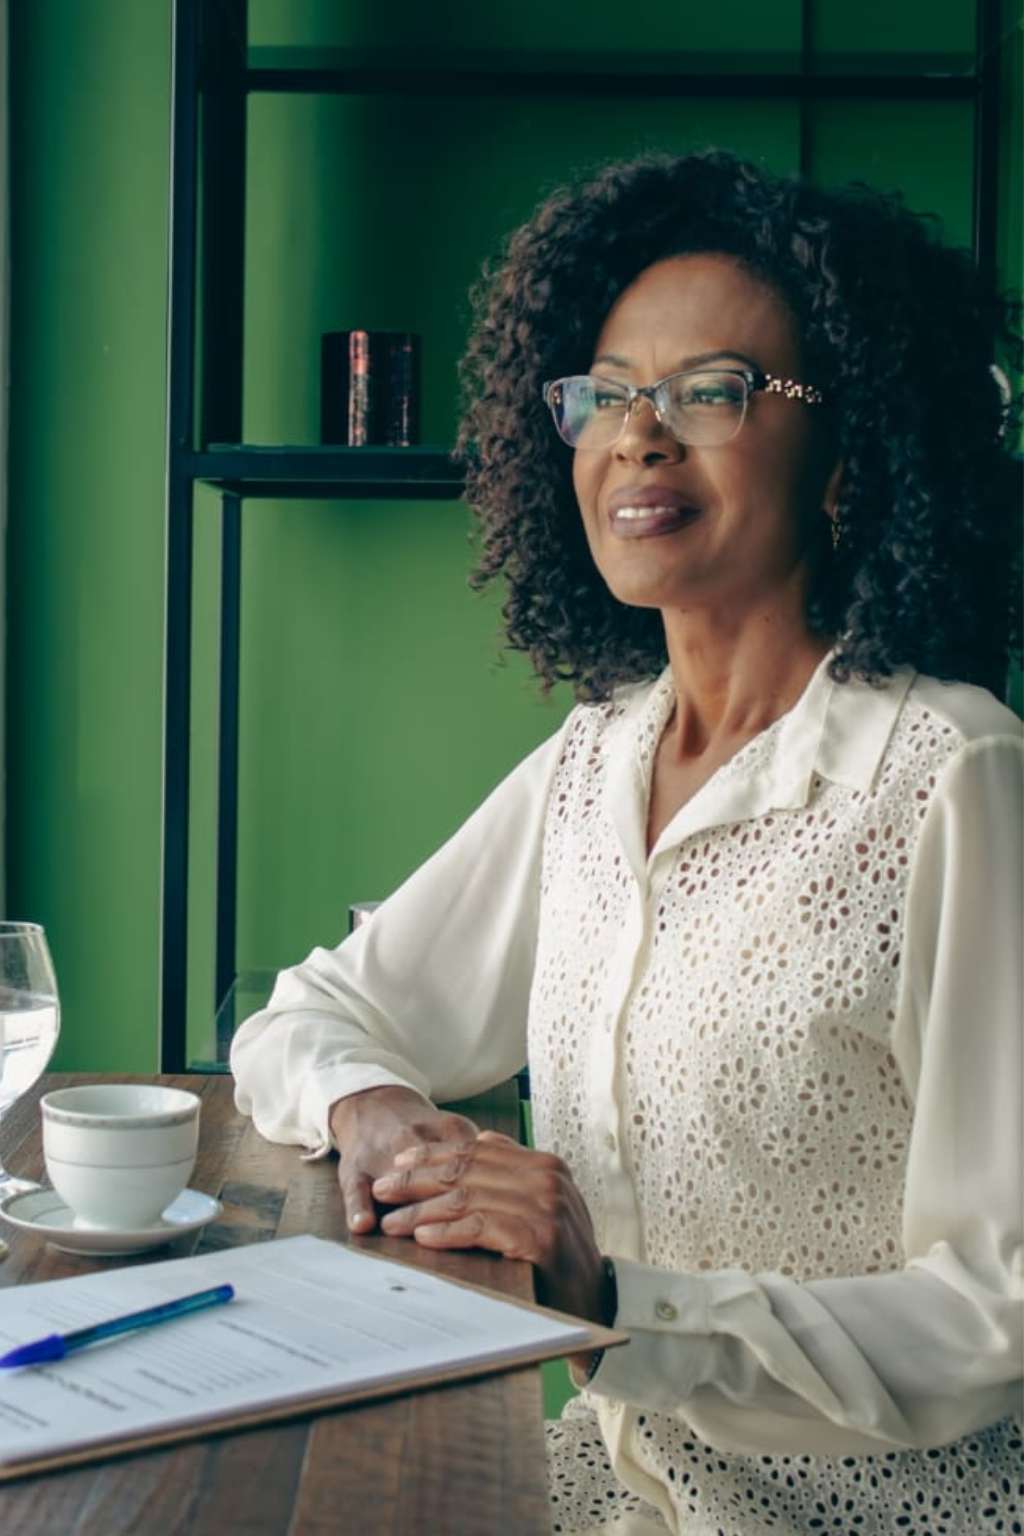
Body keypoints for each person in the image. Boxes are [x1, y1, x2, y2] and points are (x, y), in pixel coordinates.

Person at [231, 149, 1023, 1534]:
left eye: (714, 391)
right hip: (611, 1489)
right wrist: (383, 1116)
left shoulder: (954, 777)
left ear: (849, 451)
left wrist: (615, 1305)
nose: (639, 435)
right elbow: (313, 1014)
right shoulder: (597, 759)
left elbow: (997, 1313)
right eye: (607, 394)